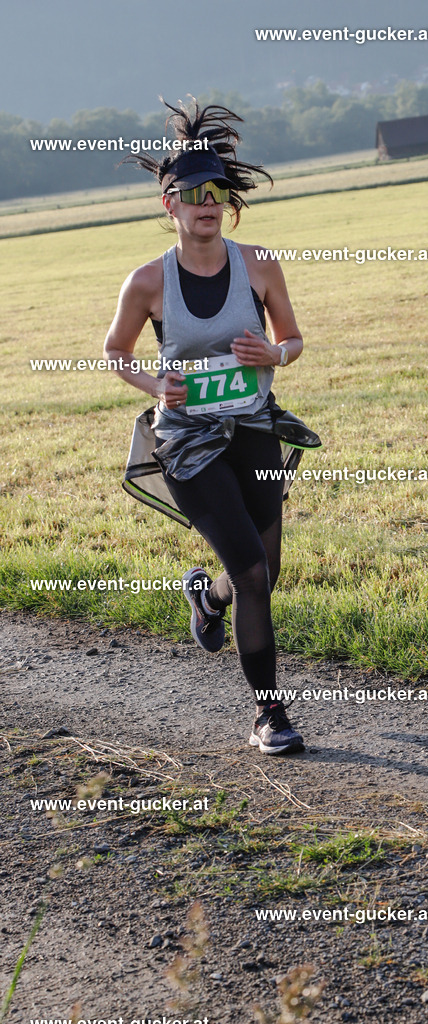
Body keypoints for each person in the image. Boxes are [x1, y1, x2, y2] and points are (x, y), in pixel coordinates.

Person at [104, 98, 314, 755]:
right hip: (188, 443)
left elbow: (295, 339)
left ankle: (206, 597)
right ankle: (269, 714)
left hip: (254, 429)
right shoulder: (146, 282)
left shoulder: (259, 266)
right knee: (253, 574)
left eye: (217, 192)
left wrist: (272, 355)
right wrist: (152, 383)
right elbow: (116, 352)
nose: (207, 203)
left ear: (228, 202)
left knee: (264, 572)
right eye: (192, 193)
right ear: (169, 205)